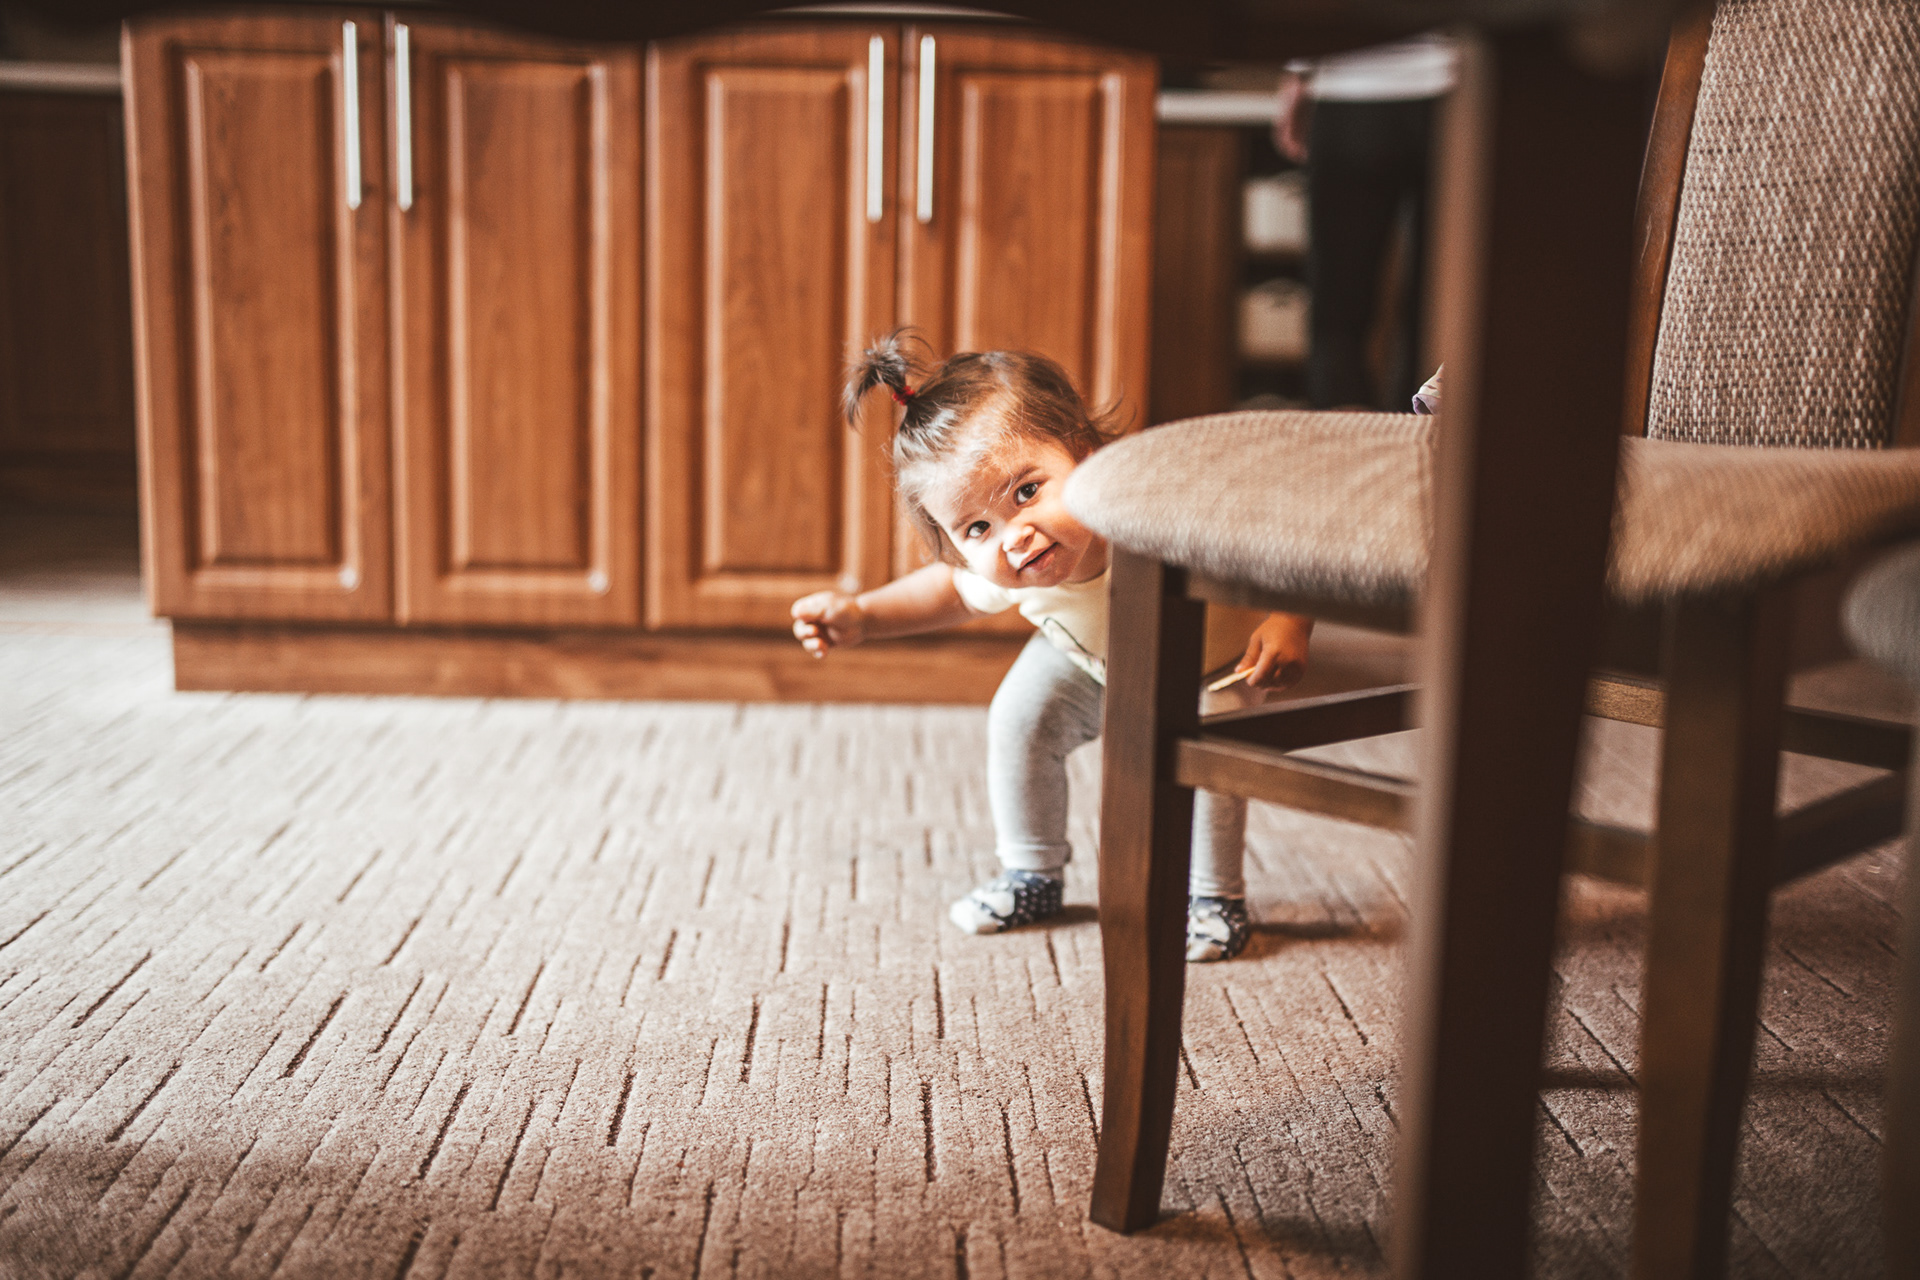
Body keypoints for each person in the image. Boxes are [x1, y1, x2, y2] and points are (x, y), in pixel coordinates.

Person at [790, 333, 1314, 962]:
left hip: (1214, 667)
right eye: (976, 528)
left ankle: (1214, 897)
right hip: (1090, 662)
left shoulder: (1162, 507)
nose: (1014, 537)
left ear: (1086, 455)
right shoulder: (1009, 562)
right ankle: (1032, 874)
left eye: (1026, 491)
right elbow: (950, 593)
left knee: (1210, 761)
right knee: (1020, 719)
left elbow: (1284, 535)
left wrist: (1291, 620)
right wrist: (863, 616)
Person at [1275, 35, 1456, 411]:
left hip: (1352, 90)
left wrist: (1298, 73)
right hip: (1450, 91)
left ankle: (1341, 435)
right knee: (1435, 301)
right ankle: (1421, 433)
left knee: (1338, 307)